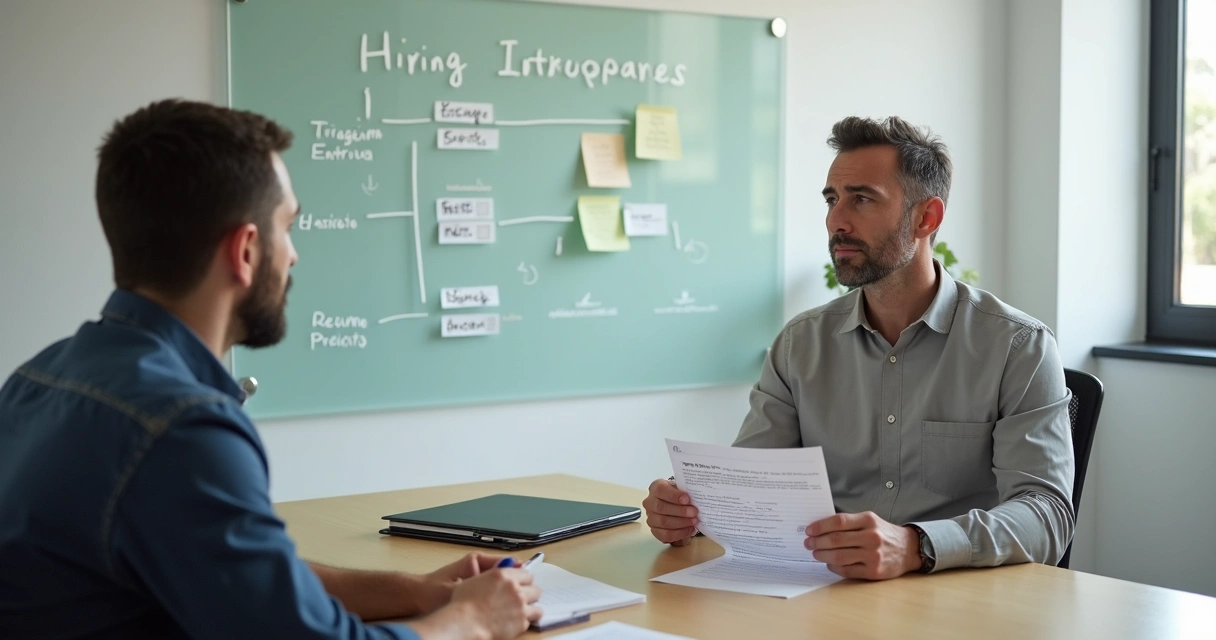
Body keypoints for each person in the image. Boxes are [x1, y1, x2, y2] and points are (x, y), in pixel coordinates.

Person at [0, 99, 541, 639]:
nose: (294, 255)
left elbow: (244, 583)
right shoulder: (182, 429)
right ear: (246, 250)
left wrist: (420, 593)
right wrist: (473, 619)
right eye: (288, 227)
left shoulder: (38, 380)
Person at [642, 116, 1075, 580]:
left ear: (925, 218)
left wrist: (916, 545)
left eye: (862, 199)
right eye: (832, 199)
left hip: (956, 598)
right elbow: (755, 488)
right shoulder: (800, 344)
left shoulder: (1017, 346)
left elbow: (1046, 516)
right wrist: (689, 509)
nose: (836, 221)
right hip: (822, 594)